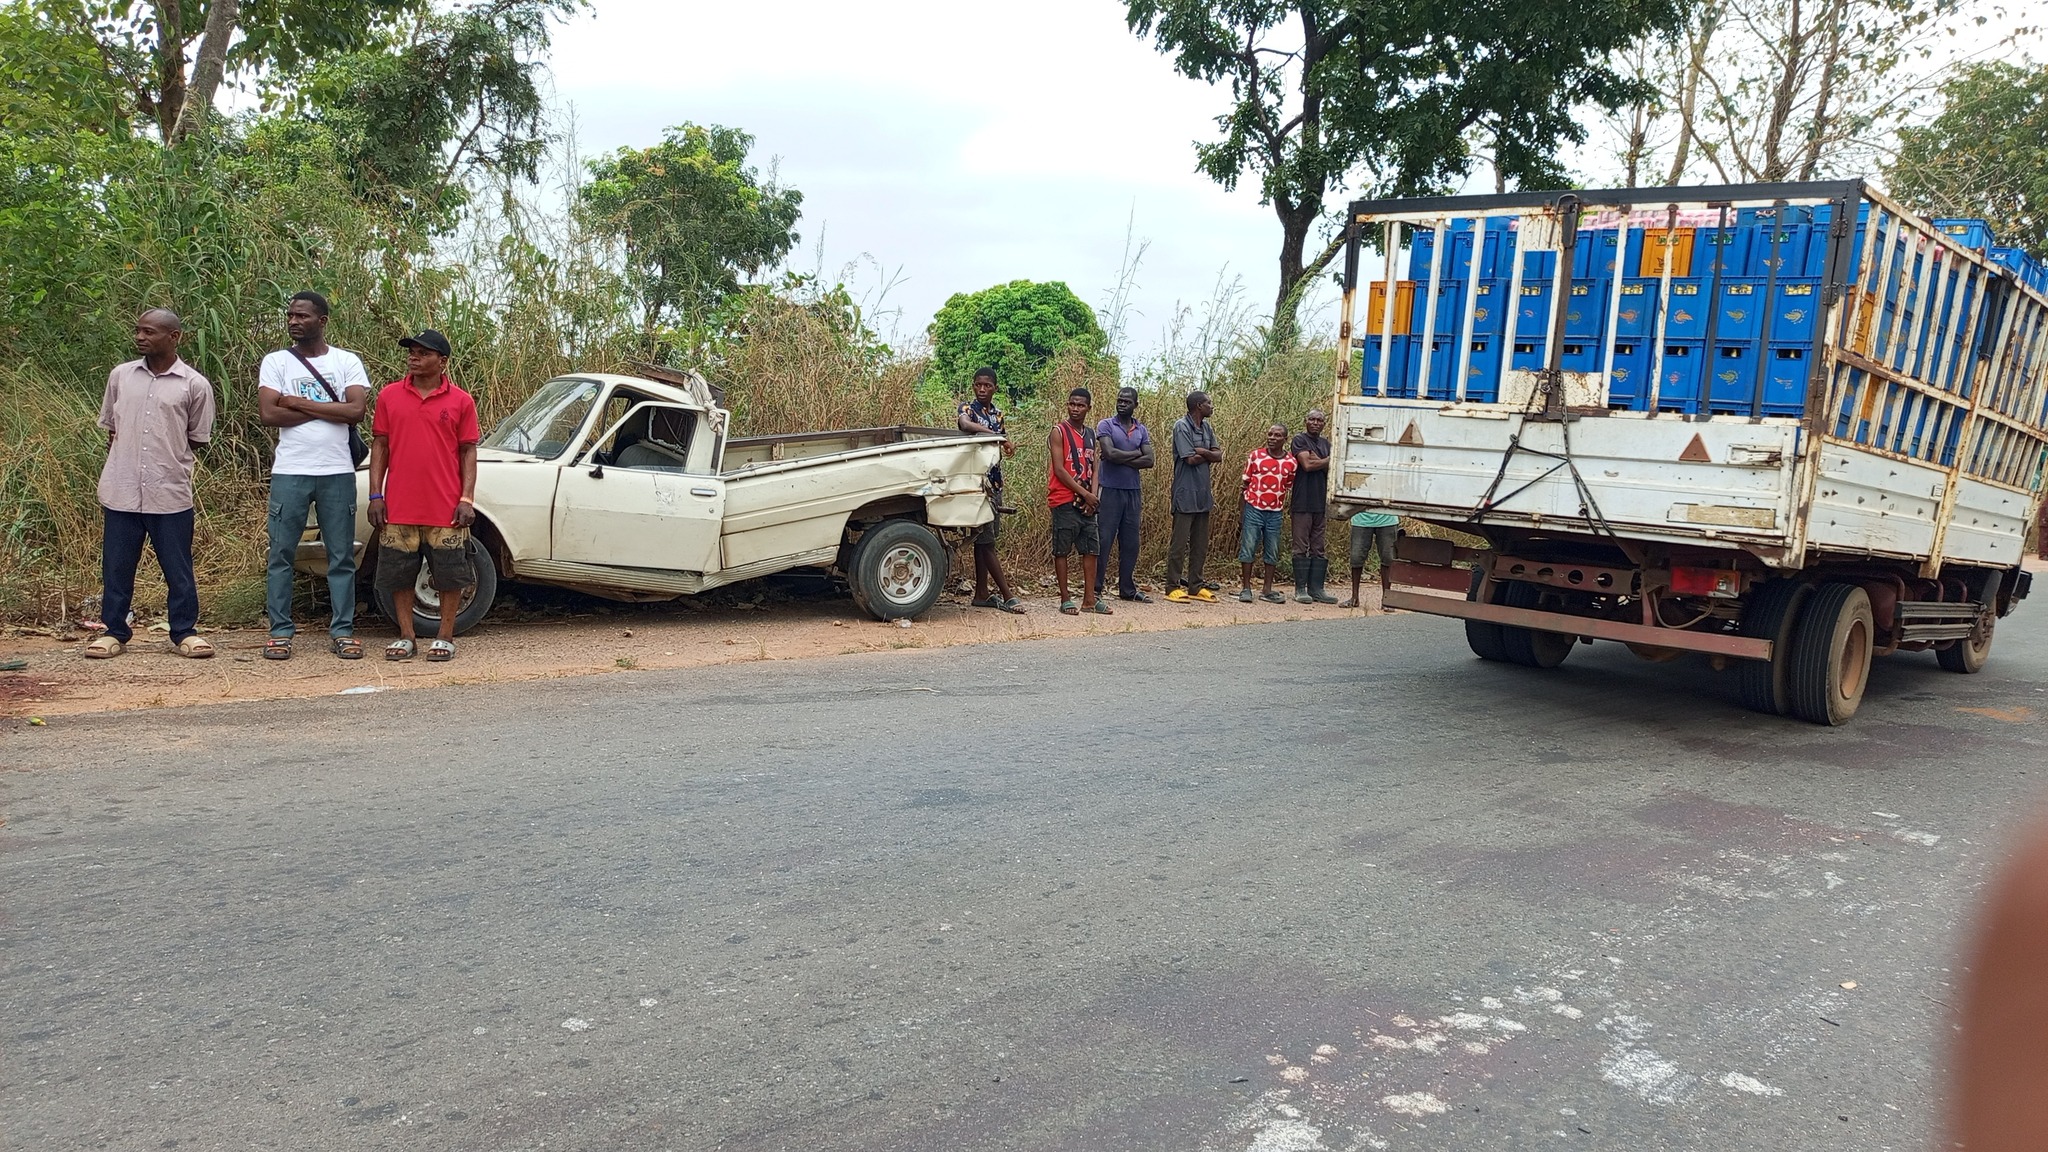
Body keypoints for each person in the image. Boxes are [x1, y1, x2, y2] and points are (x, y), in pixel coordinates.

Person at [85, 309, 217, 660]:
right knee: (117, 566)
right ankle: (114, 632)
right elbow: (112, 429)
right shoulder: (121, 376)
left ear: (174, 337)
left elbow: (196, 438)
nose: (140, 337)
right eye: (138, 331)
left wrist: (163, 457)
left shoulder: (194, 385)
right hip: (122, 488)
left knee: (178, 568)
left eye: (149, 332)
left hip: (168, 491)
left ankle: (185, 632)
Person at [258, 291, 370, 660]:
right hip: (290, 471)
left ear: (322, 321)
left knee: (341, 555)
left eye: (302, 316)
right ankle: (280, 632)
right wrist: (331, 408)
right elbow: (270, 414)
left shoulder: (346, 361)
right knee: (281, 554)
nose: (293, 321)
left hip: (337, 472)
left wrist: (297, 402)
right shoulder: (276, 362)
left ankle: (342, 631)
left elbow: (356, 411)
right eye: (290, 315)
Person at [368, 329, 479, 661]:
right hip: (399, 505)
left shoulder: (461, 401)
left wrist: (467, 499)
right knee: (398, 574)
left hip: (444, 507)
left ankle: (445, 636)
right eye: (411, 352)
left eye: (423, 353)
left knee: (449, 574)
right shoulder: (389, 396)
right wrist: (375, 495)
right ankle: (406, 636)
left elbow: (468, 451)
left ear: (442, 361)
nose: (414, 357)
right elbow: (380, 446)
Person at [956, 367, 1024, 613]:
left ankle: (981, 593)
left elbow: (1000, 445)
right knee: (987, 542)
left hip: (994, 483)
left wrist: (1003, 440)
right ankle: (1007, 595)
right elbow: (966, 425)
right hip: (976, 484)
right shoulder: (967, 409)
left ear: (995, 388)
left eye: (987, 385)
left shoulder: (998, 414)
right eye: (978, 385)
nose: (982, 389)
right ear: (973, 386)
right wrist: (997, 435)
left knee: (984, 540)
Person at [1048, 386, 1109, 616]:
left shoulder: (1091, 434)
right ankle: (1065, 598)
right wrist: (1085, 494)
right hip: (1063, 498)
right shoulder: (1059, 432)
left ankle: (1090, 599)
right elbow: (1059, 469)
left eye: (1080, 405)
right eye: (1072, 404)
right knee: (1062, 549)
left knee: (1091, 549)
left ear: (1088, 408)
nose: (1075, 409)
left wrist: (1092, 497)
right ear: (1067, 405)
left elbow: (1095, 468)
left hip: (1087, 500)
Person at [1093, 386, 1155, 603]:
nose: (1121, 404)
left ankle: (1127, 589)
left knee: (1130, 542)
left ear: (1135, 405)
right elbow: (1108, 453)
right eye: (1119, 400)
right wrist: (1136, 453)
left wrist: (1120, 457)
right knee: (1104, 539)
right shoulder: (1106, 425)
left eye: (1127, 401)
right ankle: (1095, 588)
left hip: (1133, 491)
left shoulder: (1141, 429)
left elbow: (1150, 460)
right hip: (1110, 489)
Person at [1165, 391, 1223, 602]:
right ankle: (1172, 585)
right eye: (1209, 403)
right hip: (1185, 491)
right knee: (1179, 543)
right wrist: (1208, 454)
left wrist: (1203, 452)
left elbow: (1219, 455)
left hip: (1202, 493)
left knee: (1200, 543)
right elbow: (1189, 458)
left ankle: (1195, 585)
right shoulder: (1181, 426)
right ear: (1199, 405)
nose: (1212, 406)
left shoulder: (1207, 427)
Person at [1238, 423, 1297, 603]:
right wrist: (1242, 512)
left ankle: (1267, 589)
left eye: (1277, 435)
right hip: (1253, 507)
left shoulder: (1291, 462)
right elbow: (1245, 484)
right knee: (1248, 547)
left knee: (1272, 549)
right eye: (1270, 434)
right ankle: (1246, 588)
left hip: (1275, 512)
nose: (1272, 438)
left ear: (1285, 439)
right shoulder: (1256, 456)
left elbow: (1288, 485)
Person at [1290, 408, 1339, 604]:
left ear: (1324, 424)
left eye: (1319, 420)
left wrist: (1321, 461)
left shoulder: (1326, 443)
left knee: (1318, 547)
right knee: (1300, 546)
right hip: (1302, 501)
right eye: (1312, 419)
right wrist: (1329, 460)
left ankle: (1317, 589)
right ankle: (1300, 589)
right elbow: (1307, 465)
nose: (1316, 423)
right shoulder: (1299, 440)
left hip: (1321, 502)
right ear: (1306, 421)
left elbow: (1333, 469)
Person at [1343, 507, 1401, 610]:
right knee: (1356, 558)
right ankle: (1354, 597)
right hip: (1361, 518)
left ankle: (1386, 599)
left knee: (1388, 558)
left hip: (1387, 517)